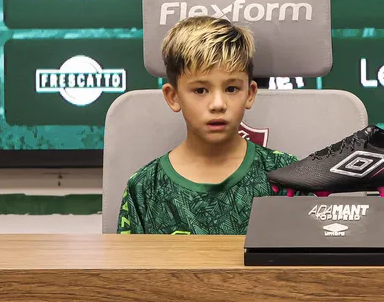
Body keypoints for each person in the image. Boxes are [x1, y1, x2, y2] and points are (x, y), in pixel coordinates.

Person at [117, 16, 300, 234]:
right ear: (173, 97)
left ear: (250, 94)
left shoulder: (286, 177)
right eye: (200, 90)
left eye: (231, 89)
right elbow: (131, 267)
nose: (218, 104)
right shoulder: (145, 187)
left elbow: (305, 264)